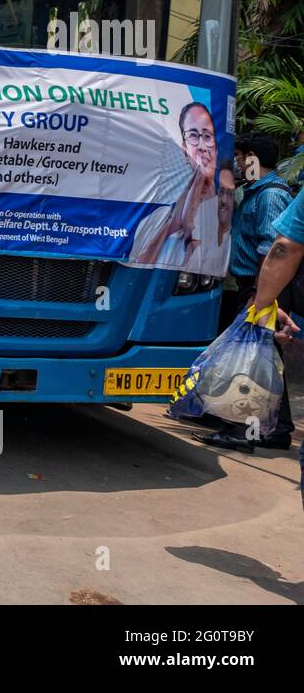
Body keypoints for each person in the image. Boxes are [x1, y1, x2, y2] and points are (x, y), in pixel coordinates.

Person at [197, 177, 302, 454]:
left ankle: (243, 431)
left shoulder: (270, 195)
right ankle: (275, 429)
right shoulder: (261, 193)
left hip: (265, 287)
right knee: (266, 359)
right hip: (261, 286)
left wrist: (261, 301)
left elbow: (277, 248)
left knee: (252, 360)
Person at [129, 102, 220, 273]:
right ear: (184, 148)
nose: (202, 146)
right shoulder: (153, 221)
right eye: (193, 136)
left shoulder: (224, 210)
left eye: (207, 136)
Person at [220, 134, 293, 328]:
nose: (236, 163)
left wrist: (258, 295)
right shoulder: (255, 192)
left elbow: (270, 249)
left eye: (237, 156)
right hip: (249, 286)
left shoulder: (270, 195)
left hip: (259, 289)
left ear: (251, 157)